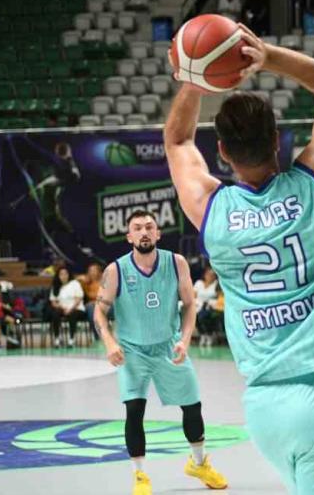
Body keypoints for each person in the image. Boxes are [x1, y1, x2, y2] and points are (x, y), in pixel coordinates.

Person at [165, 19, 314, 492]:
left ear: (221, 151)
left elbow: (177, 141)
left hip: (263, 406)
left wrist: (194, 78)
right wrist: (268, 56)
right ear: (279, 140)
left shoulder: (212, 210)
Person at [92, 211, 227, 495]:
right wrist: (110, 342)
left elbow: (189, 305)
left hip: (169, 345)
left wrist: (185, 340)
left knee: (192, 406)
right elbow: (99, 312)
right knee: (134, 410)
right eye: (137, 228)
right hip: (132, 350)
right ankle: (140, 476)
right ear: (129, 237)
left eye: (149, 227)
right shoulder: (115, 271)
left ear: (157, 233)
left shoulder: (176, 263)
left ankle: (199, 463)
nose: (144, 232)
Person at [48, 267, 85, 348]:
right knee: (55, 313)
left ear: (69, 275)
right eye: (61, 274)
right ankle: (57, 339)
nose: (64, 276)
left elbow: (78, 299)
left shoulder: (75, 283)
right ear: (58, 276)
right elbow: (53, 302)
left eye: (65, 274)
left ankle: (71, 339)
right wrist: (61, 307)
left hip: (76, 308)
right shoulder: (56, 286)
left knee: (72, 314)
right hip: (62, 308)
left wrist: (70, 309)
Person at [193, 265, 220, 346]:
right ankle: (203, 334)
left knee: (203, 316)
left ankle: (209, 334)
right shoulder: (199, 283)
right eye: (208, 274)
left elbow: (219, 297)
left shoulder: (216, 284)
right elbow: (193, 296)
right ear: (205, 275)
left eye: (212, 275)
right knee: (193, 314)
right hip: (198, 305)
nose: (210, 276)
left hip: (210, 306)